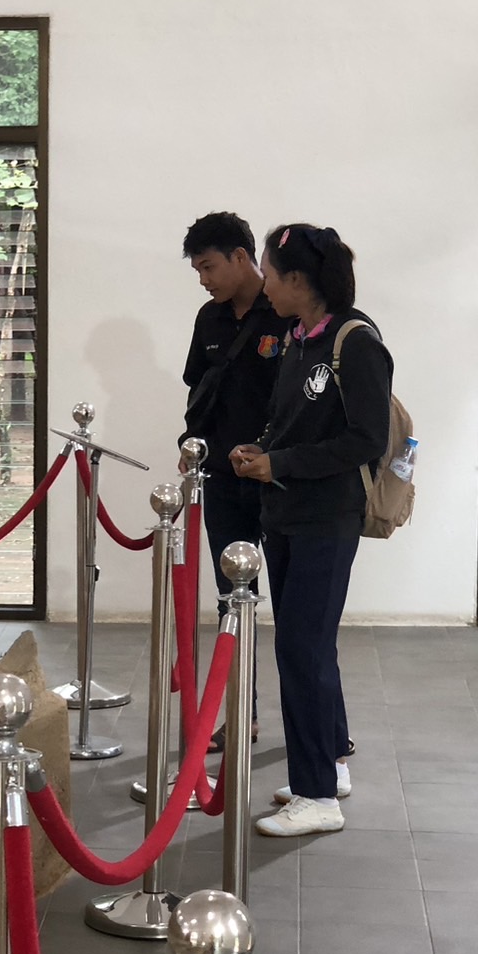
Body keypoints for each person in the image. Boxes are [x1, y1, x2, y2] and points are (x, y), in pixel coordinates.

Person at [231, 223, 391, 837]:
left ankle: (318, 795)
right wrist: (262, 450)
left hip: (327, 517)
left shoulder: (356, 342)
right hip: (287, 515)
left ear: (298, 279)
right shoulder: (297, 339)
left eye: (270, 274)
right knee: (307, 646)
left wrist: (284, 464)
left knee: (302, 648)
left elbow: (365, 439)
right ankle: (327, 767)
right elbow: (292, 422)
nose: (264, 284)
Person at [180, 212, 291, 750]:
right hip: (223, 480)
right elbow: (199, 390)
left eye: (209, 267)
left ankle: (323, 729)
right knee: (233, 602)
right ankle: (242, 715)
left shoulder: (287, 314)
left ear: (241, 257)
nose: (204, 280)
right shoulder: (209, 319)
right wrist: (191, 443)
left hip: (282, 480)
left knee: (296, 608)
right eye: (198, 271)